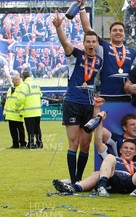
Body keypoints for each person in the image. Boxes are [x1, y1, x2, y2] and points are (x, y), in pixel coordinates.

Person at [52, 104, 136, 197]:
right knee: (100, 169)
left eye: (131, 149)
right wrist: (99, 120)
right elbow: (98, 142)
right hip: (113, 181)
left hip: (132, 182)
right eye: (125, 148)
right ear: (120, 150)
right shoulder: (115, 158)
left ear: (135, 152)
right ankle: (77, 188)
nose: (128, 151)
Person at [52, 12, 103, 185]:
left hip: (89, 105)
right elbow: (64, 42)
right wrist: (59, 27)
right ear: (83, 43)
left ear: (97, 44)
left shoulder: (100, 61)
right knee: (73, 142)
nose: (90, 44)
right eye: (87, 41)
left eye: (93, 41)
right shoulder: (76, 55)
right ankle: (73, 180)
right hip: (73, 102)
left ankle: (79, 179)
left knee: (86, 144)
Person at [79, 0, 136, 101]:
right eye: (115, 30)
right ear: (110, 33)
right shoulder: (103, 46)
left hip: (126, 98)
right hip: (106, 97)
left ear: (124, 34)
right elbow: (87, 29)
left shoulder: (132, 53)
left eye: (121, 30)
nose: (118, 32)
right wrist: (82, 8)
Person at [4, 73, 26, 148]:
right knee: (12, 130)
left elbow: (23, 101)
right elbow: (7, 101)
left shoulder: (22, 88)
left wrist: (21, 111)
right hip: (10, 114)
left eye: (17, 79)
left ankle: (23, 143)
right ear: (12, 80)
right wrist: (5, 111)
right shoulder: (10, 89)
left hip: (18, 113)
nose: (16, 81)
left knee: (20, 130)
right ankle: (15, 144)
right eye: (14, 80)